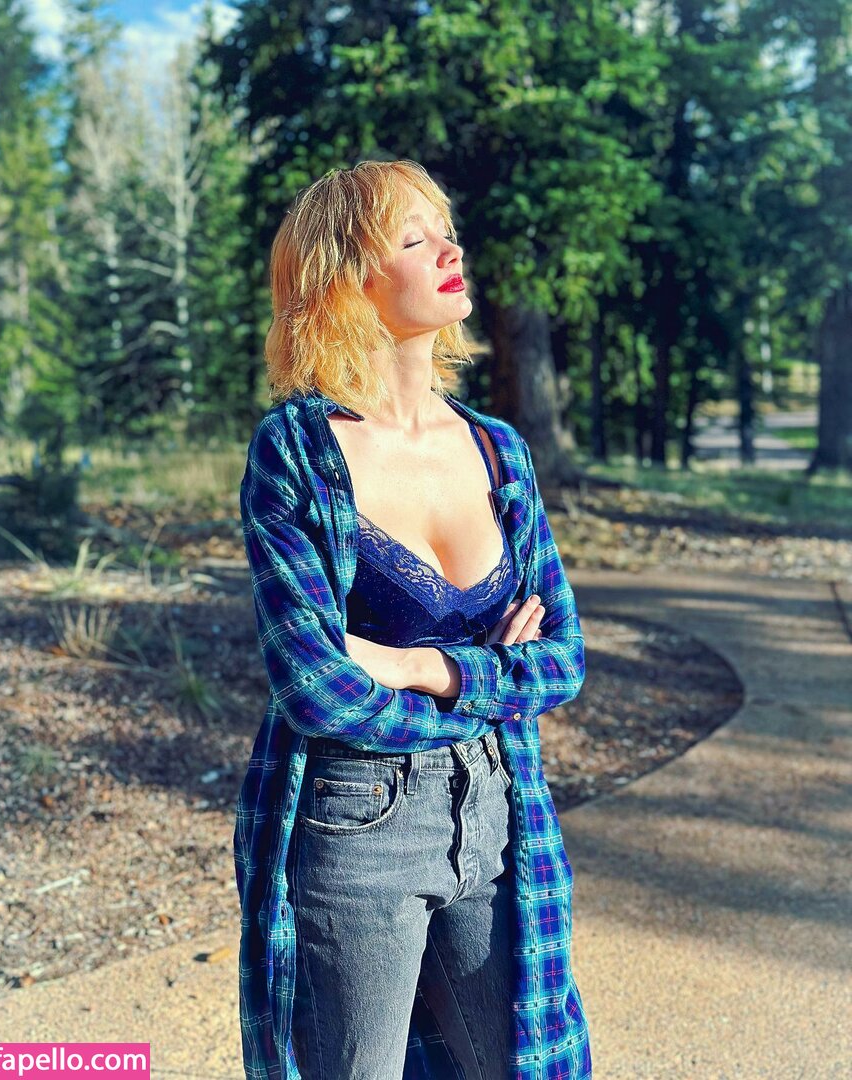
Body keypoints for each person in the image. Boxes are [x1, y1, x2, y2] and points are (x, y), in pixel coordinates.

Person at [235, 158, 592, 1080]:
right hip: (358, 821)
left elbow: (563, 659)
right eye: (414, 237)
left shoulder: (499, 449)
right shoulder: (296, 453)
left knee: (528, 1063)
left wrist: (422, 667)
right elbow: (316, 688)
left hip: (499, 806)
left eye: (447, 231)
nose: (449, 249)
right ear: (348, 280)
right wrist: (492, 681)